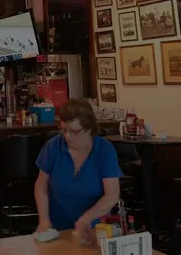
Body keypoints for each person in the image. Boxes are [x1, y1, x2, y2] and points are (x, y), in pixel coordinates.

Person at [34, 99, 121, 241]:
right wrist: (44, 220)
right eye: (63, 129)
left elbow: (112, 195)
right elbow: (40, 186)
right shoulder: (53, 147)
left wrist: (86, 219)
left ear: (89, 129)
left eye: (73, 131)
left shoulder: (104, 150)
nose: (67, 136)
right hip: (57, 229)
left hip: (94, 230)